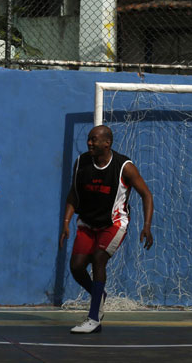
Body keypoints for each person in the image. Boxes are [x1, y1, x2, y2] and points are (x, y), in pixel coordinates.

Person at [59, 125, 154, 334]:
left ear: (107, 143)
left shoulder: (124, 166)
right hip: (87, 222)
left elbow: (146, 194)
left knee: (98, 258)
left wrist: (146, 226)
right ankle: (98, 293)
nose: (89, 143)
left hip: (114, 223)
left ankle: (93, 318)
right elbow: (73, 195)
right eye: (89, 139)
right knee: (76, 267)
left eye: (94, 139)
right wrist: (66, 222)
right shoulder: (81, 163)